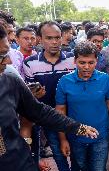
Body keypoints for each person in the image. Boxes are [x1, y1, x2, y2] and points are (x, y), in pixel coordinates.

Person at [0, 25, 98, 171]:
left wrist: (77, 127)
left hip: (19, 162)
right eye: (1, 55)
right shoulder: (29, 64)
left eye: (6, 53)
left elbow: (38, 111)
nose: (8, 61)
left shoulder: (9, 79)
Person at [56, 41, 109, 171]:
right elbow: (60, 111)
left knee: (98, 168)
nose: (86, 67)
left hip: (100, 136)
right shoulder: (64, 82)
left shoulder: (105, 79)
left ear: (96, 61)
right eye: (82, 62)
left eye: (91, 63)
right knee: (79, 167)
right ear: (75, 61)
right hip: (75, 137)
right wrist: (63, 139)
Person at [23, 21, 76, 171]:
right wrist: (37, 95)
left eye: (57, 37)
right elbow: (30, 94)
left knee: (77, 152)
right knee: (58, 153)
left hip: (73, 114)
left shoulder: (72, 59)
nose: (54, 42)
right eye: (49, 38)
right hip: (48, 116)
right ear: (40, 39)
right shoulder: (30, 63)